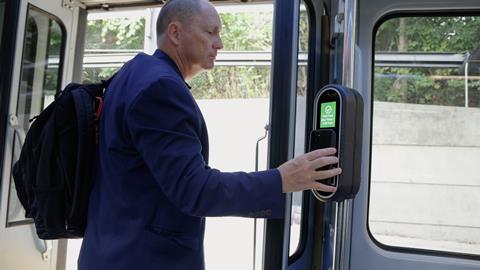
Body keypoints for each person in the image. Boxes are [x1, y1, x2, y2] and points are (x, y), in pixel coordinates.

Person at [78, 0, 341, 269]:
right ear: (175, 33)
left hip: (114, 251)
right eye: (211, 32)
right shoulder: (160, 88)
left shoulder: (134, 74)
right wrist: (282, 179)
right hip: (143, 259)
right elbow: (195, 190)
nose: (220, 43)